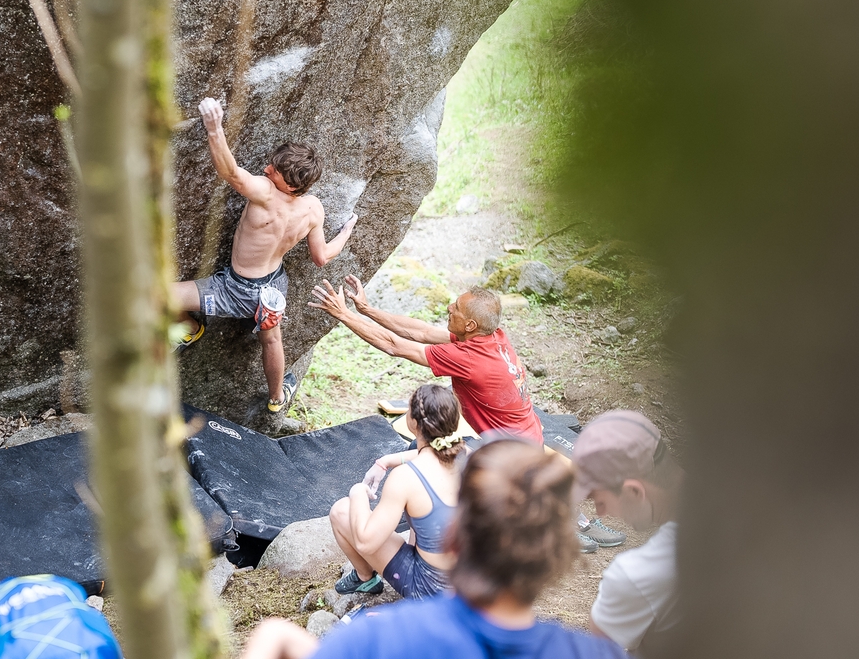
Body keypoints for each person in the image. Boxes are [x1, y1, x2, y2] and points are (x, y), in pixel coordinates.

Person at [239, 439, 629, 659]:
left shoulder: (382, 639)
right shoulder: (596, 654)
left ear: (453, 533)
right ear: (558, 555)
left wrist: (276, 636)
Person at [173, 97, 357, 413]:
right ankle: (276, 399)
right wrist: (346, 232)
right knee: (272, 341)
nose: (266, 169)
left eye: (274, 171)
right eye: (272, 164)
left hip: (235, 289)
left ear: (290, 185)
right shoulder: (313, 209)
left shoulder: (265, 193)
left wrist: (214, 128)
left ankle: (190, 327)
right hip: (273, 289)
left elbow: (231, 173)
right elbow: (322, 256)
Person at [308, 277, 542, 443]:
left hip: (514, 461)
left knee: (426, 456)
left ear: (471, 325)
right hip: (527, 440)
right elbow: (423, 333)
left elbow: (393, 346)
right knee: (421, 449)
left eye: (457, 307)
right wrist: (367, 310)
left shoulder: (469, 359)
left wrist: (343, 314)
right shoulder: (492, 336)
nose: (450, 307)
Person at [328, 383, 465, 598]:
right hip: (472, 582)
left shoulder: (406, 477)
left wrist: (357, 494)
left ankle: (365, 578)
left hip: (430, 590)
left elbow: (366, 542)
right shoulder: (469, 455)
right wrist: (386, 461)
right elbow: (432, 453)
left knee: (341, 511)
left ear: (413, 422)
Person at [572, 410, 682, 654]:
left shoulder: (637, 574)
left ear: (634, 491)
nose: (600, 514)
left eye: (598, 501)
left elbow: (599, 652)